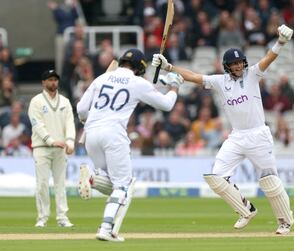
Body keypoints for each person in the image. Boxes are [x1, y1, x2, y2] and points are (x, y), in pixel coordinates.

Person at [152, 24, 294, 234]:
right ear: (227, 66)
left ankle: (285, 221)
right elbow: (192, 76)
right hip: (236, 137)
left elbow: (268, 58)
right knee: (216, 178)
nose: (238, 66)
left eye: (240, 63)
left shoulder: (253, 74)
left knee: (269, 181)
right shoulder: (220, 81)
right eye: (233, 64)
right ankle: (246, 210)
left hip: (258, 135)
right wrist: (169, 67)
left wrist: (281, 42)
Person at [76, 48, 183, 242]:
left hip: (91, 133)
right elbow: (166, 105)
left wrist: (86, 121)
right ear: (140, 68)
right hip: (114, 135)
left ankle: (93, 179)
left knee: (116, 186)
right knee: (123, 185)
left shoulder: (101, 78)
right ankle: (106, 228)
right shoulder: (138, 82)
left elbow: (81, 108)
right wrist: (174, 87)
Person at [28, 70, 76, 228]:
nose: (53, 82)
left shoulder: (65, 101)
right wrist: (51, 141)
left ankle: (62, 217)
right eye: (50, 80)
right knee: (42, 183)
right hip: (41, 148)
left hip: (61, 148)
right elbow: (37, 125)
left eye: (55, 80)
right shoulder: (36, 101)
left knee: (60, 184)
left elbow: (70, 124)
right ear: (43, 83)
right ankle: (42, 218)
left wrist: (70, 142)